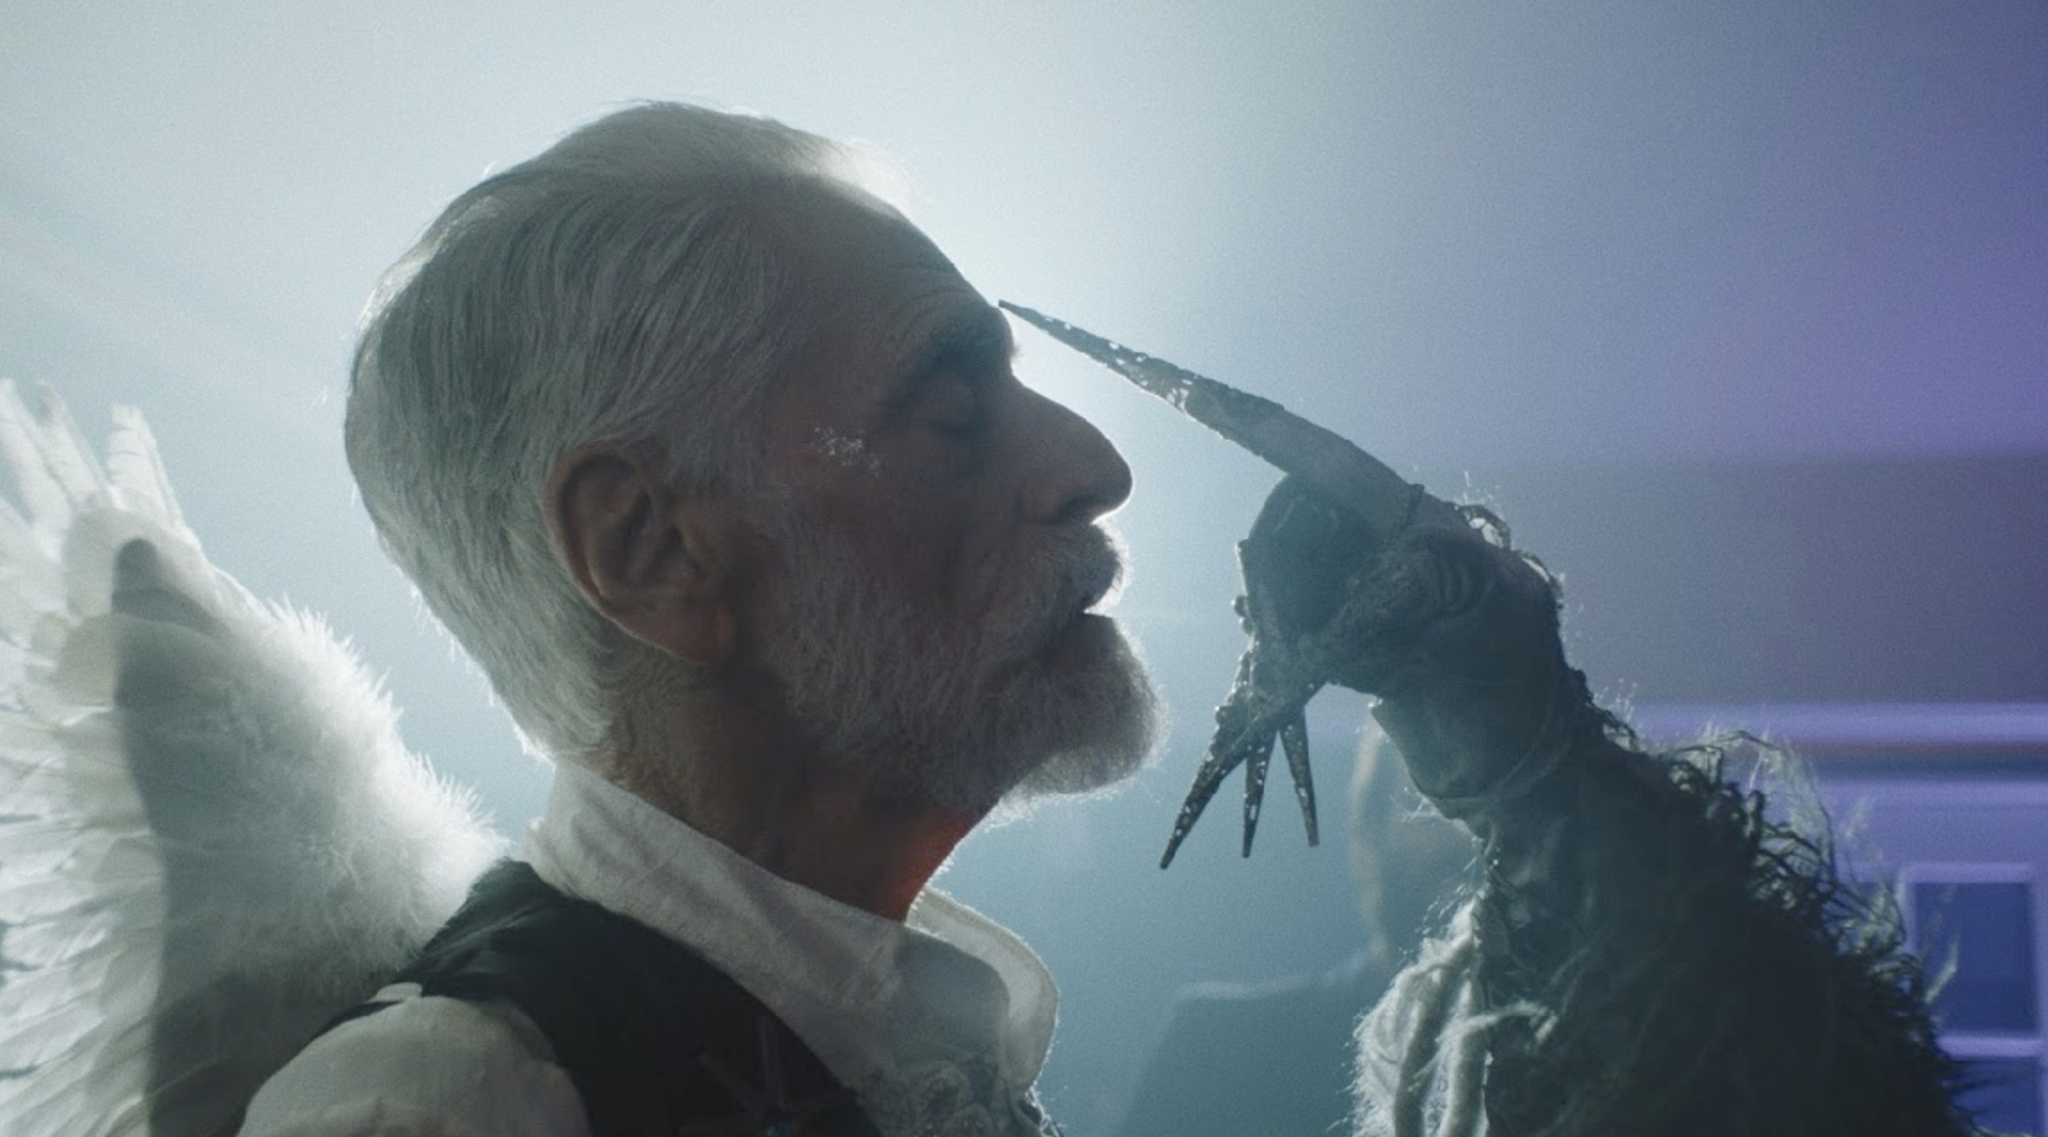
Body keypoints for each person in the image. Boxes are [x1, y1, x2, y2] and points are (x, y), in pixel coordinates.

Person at [239, 101, 1983, 1137]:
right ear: (651, 548)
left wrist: (1550, 797)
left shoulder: (883, 1042)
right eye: (951, 407)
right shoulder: (453, 1108)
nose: (1091, 464)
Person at [1113, 731, 1476, 1137]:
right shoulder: (1218, 1055)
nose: (1467, 836)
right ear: (1366, 845)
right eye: (1431, 808)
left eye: (1500, 808)